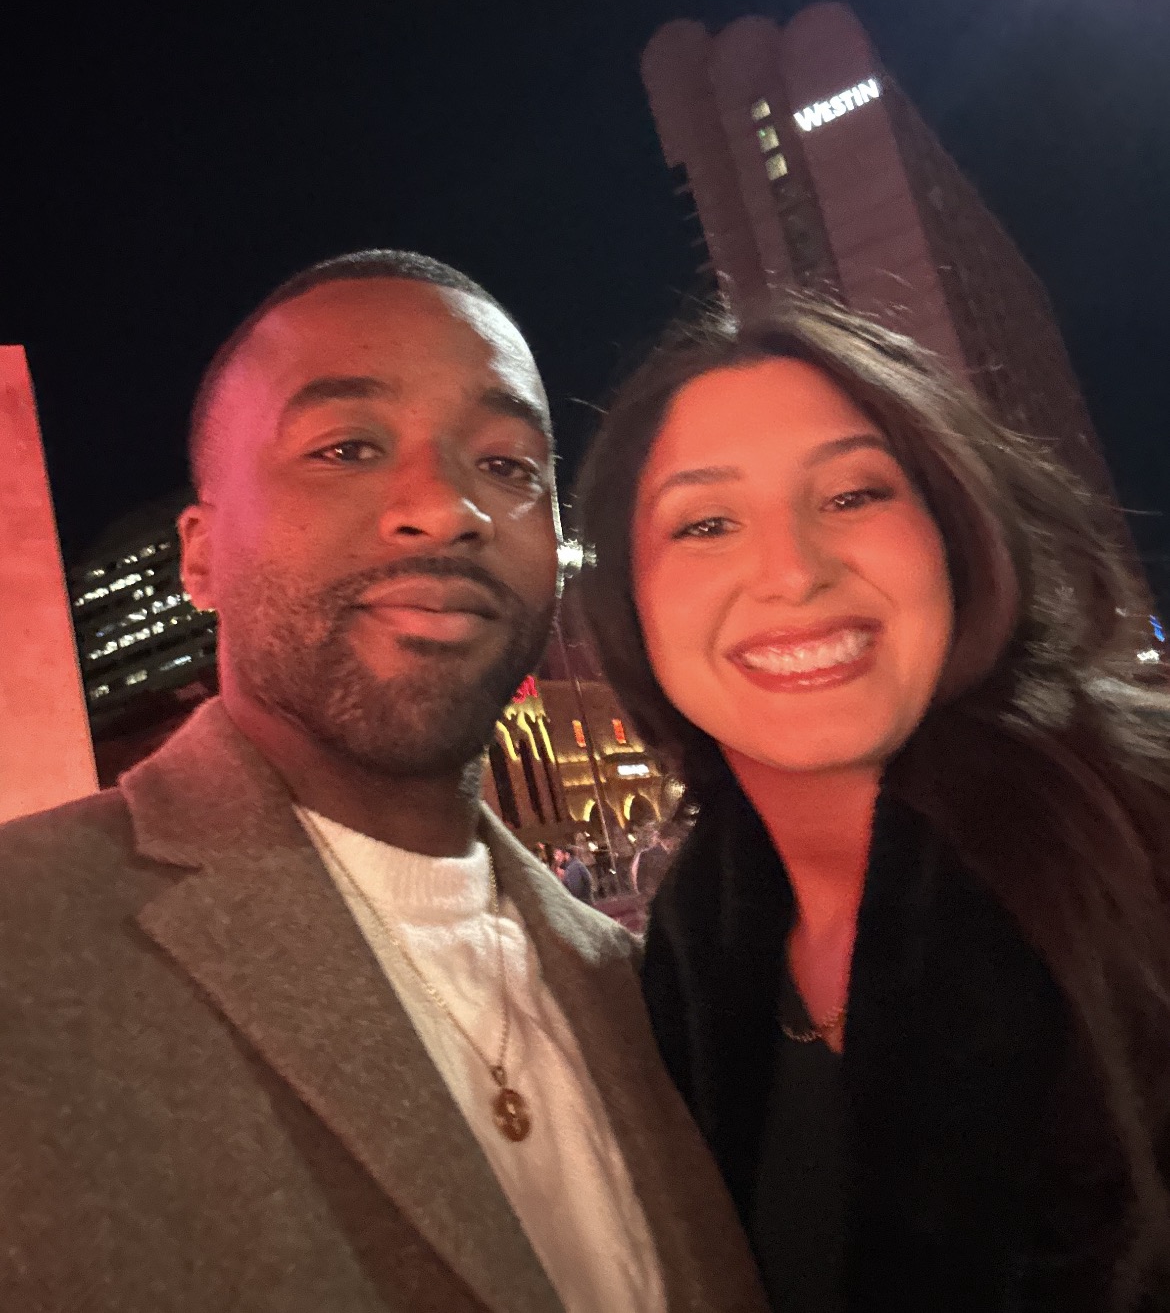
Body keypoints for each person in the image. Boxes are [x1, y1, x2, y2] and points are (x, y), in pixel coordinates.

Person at [0, 252, 769, 1313]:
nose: (446, 507)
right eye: (349, 446)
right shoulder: (26, 946)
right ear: (199, 557)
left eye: (507, 465)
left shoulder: (643, 990)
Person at [576, 297, 1170, 1312]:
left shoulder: (1141, 831)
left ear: (951, 529)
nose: (795, 571)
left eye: (853, 495)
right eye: (707, 522)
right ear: (630, 604)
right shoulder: (687, 960)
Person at [631, 819, 684, 899]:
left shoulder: (645, 854)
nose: (677, 841)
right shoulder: (663, 856)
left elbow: (640, 883)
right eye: (676, 838)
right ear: (669, 839)